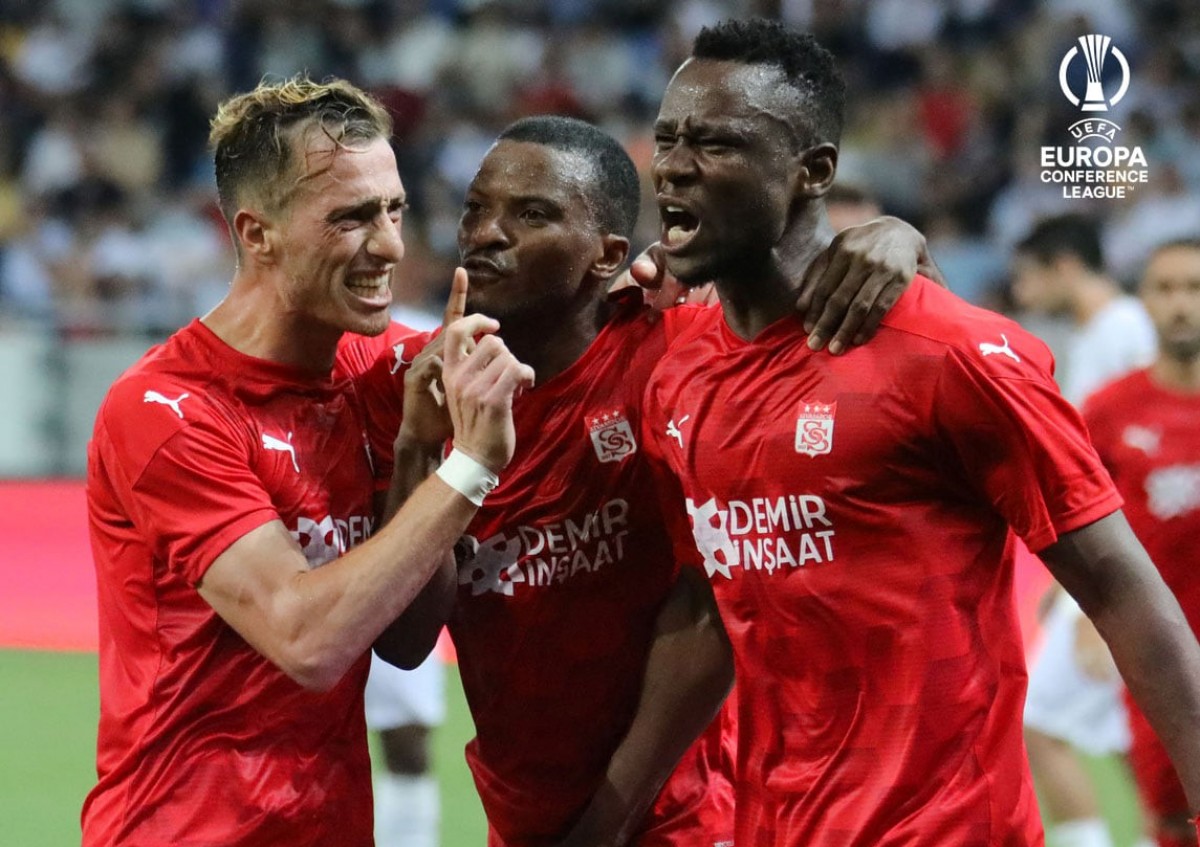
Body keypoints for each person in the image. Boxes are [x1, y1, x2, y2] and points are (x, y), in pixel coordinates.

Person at [640, 18, 1200, 845]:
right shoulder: (676, 369)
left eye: (715, 143)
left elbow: (1119, 585)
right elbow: (708, 617)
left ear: (813, 171)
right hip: (774, 825)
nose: (675, 166)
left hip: (947, 827)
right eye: (668, 139)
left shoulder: (945, 351)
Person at [347, 114, 936, 846]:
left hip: (685, 815)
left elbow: (707, 610)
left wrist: (897, 239)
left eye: (532, 215)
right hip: (523, 816)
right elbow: (406, 641)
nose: (486, 233)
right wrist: (419, 448)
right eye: (476, 209)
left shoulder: (675, 355)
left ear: (608, 256)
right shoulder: (411, 386)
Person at [81, 76, 535, 846]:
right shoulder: (165, 411)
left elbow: (405, 640)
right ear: (257, 233)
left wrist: (418, 451)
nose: (389, 245)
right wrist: (468, 469)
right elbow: (308, 641)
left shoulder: (379, 375)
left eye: (394, 210)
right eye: (352, 217)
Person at [1012, 213, 1158, 847]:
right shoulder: (1099, 333)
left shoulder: (1124, 330)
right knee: (1131, 732)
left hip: (1129, 565)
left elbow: (1140, 467)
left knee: (1041, 718)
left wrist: (1104, 604)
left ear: (1065, 267)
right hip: (1108, 566)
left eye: (1028, 277)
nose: (1022, 293)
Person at [1082, 239, 1200, 847]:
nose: (1181, 304)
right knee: (1172, 812)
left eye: (1195, 288)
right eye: (1166, 288)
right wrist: (1082, 618)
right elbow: (1074, 522)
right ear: (1143, 302)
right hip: (1159, 650)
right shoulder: (1109, 411)